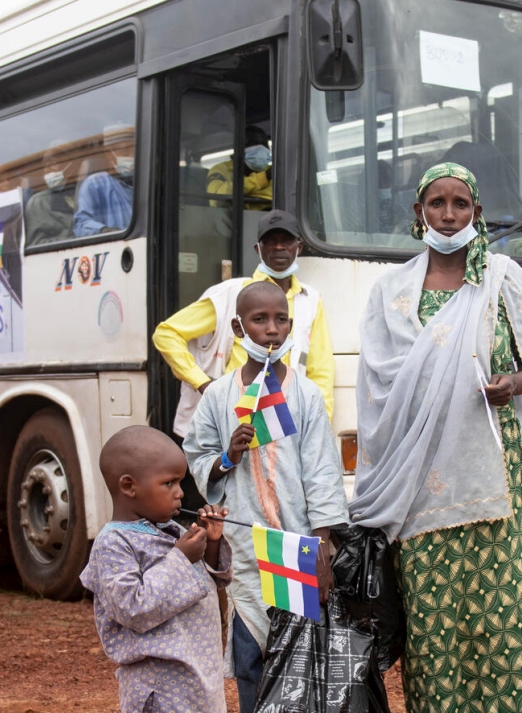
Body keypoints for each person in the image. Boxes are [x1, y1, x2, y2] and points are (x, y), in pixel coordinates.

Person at [348, 162, 522, 712]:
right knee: (433, 614)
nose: (448, 214)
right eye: (437, 203)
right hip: (417, 478)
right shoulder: (389, 289)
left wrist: (509, 383)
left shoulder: (501, 275)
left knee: (502, 608)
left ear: (477, 212)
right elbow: (376, 388)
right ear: (418, 213)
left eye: (460, 203)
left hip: (491, 470)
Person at [182, 280, 349, 713]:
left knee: (300, 656)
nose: (271, 330)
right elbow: (196, 455)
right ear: (239, 328)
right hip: (246, 550)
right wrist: (228, 455)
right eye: (259, 320)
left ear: (291, 326)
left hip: (296, 547)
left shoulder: (306, 394)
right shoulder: (219, 396)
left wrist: (322, 545)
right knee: (250, 655)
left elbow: (323, 472)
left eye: (279, 320)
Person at [79, 426, 233, 713]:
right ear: (128, 486)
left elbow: (203, 585)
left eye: (180, 483)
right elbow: (133, 607)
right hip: (160, 690)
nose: (179, 494)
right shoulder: (113, 543)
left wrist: (210, 544)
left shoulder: (170, 530)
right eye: (169, 484)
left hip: (200, 681)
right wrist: (181, 559)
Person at [152, 208, 334, 438]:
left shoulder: (310, 299)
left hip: (281, 420)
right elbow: (167, 333)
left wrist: (320, 424)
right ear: (258, 249)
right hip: (227, 415)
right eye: (270, 241)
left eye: (286, 240)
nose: (279, 247)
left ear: (298, 248)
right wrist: (203, 383)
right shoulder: (231, 293)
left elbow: (321, 370)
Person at [73, 131, 134, 237]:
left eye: (134, 150)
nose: (132, 155)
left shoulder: (147, 181)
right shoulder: (95, 184)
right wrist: (104, 231)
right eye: (125, 151)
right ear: (110, 154)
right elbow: (81, 225)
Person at [207, 125, 272, 210]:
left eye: (264, 144)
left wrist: (241, 201)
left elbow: (274, 200)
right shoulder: (221, 169)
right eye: (253, 144)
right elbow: (217, 198)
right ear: (239, 148)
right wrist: (263, 178)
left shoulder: (273, 171)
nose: (260, 149)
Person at [24, 142, 76, 246]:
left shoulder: (80, 193)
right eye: (45, 165)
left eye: (53, 163)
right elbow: (37, 244)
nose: (47, 169)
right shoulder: (38, 201)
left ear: (69, 166)